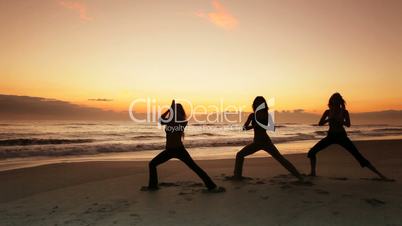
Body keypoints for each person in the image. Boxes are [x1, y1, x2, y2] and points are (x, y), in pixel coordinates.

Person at [144, 100, 224, 192]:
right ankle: (153, 186)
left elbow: (174, 120)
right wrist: (169, 110)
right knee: (152, 164)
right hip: (169, 150)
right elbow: (161, 121)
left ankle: (211, 186)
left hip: (179, 150)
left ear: (180, 111)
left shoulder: (182, 121)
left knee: (195, 168)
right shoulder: (170, 121)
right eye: (174, 109)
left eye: (176, 109)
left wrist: (172, 109)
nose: (174, 111)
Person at [307, 93, 390, 180]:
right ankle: (313, 173)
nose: (335, 102)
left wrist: (340, 121)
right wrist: (329, 119)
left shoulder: (344, 112)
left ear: (340, 101)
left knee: (358, 155)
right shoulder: (328, 111)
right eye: (333, 100)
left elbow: (348, 124)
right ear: (331, 101)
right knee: (312, 152)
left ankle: (381, 175)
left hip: (342, 136)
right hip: (330, 136)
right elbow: (320, 124)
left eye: (337, 100)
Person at [232, 96, 303, 181]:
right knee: (240, 155)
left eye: (261, 103)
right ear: (254, 105)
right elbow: (244, 128)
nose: (259, 105)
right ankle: (237, 176)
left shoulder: (266, 115)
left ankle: (299, 177)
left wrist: (260, 124)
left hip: (265, 141)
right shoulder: (252, 115)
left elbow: (271, 127)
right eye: (257, 103)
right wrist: (253, 126)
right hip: (257, 142)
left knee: (280, 159)